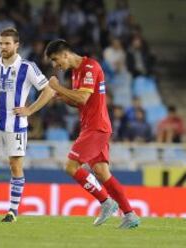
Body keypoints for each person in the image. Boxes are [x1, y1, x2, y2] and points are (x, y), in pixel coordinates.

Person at [44, 39, 140, 229]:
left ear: (65, 54)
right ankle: (130, 215)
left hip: (96, 127)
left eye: (55, 60)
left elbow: (82, 96)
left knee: (70, 166)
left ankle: (106, 202)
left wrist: (58, 87)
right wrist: (62, 96)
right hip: (91, 126)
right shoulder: (76, 72)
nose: (56, 65)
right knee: (102, 173)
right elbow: (80, 102)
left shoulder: (90, 67)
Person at [0, 27, 54, 223]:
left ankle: (12, 211)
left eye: (7, 43)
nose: (3, 47)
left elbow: (48, 90)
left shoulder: (27, 67)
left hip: (16, 125)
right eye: (0, 43)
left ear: (16, 45)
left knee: (15, 166)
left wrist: (30, 110)